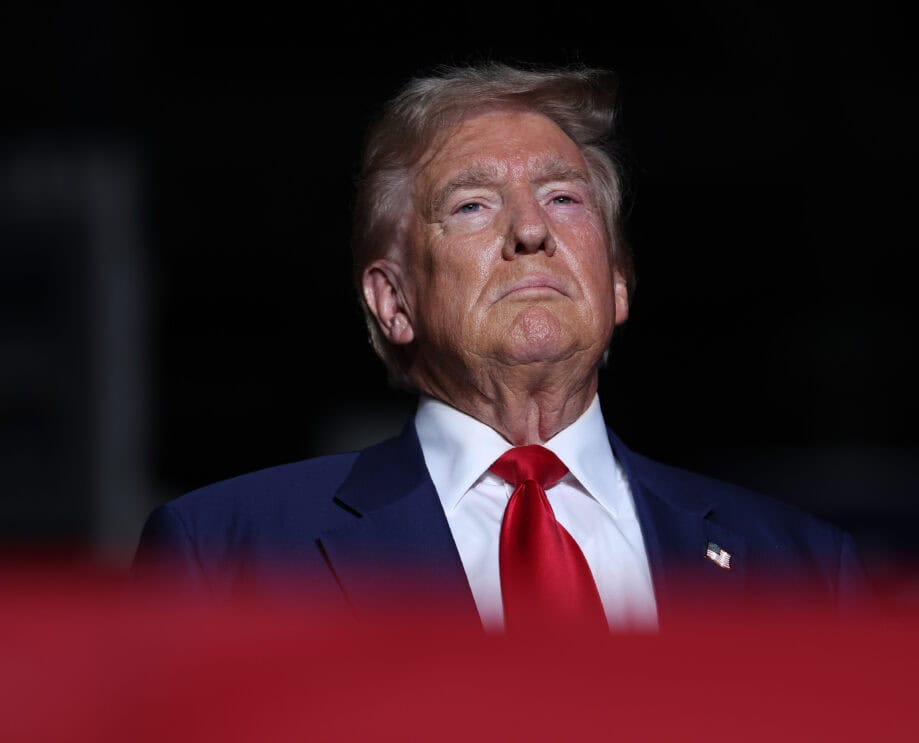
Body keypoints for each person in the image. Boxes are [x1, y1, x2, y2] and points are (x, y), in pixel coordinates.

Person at [134, 63, 867, 631]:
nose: (531, 230)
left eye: (564, 197)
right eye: (472, 204)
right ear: (393, 301)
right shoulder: (227, 553)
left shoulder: (801, 569)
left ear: (616, 283)